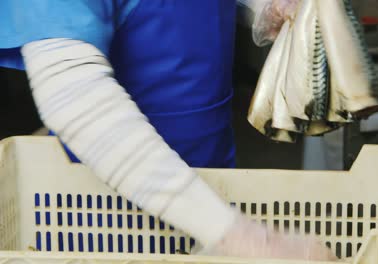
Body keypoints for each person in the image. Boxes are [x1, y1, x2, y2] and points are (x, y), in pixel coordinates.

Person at [0, 0, 336, 260]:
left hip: (212, 186)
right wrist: (240, 237)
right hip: (99, 223)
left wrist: (266, 7)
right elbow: (73, 94)